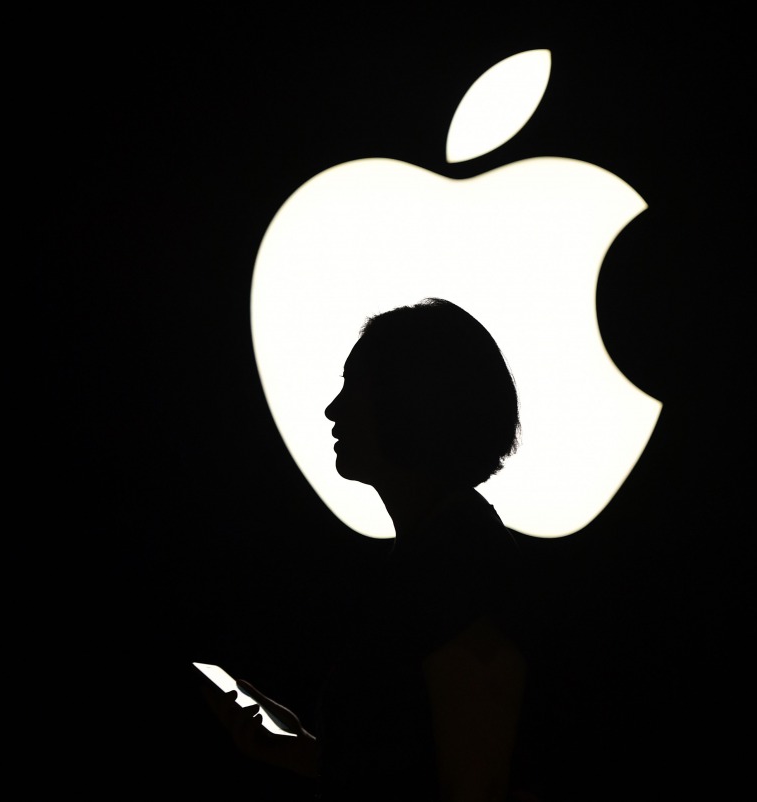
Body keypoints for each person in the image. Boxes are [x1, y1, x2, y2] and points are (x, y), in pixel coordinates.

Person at [204, 297, 530, 801]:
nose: (333, 409)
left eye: (352, 387)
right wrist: (301, 751)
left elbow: (475, 784)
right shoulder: (436, 556)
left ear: (410, 403)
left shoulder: (458, 567)